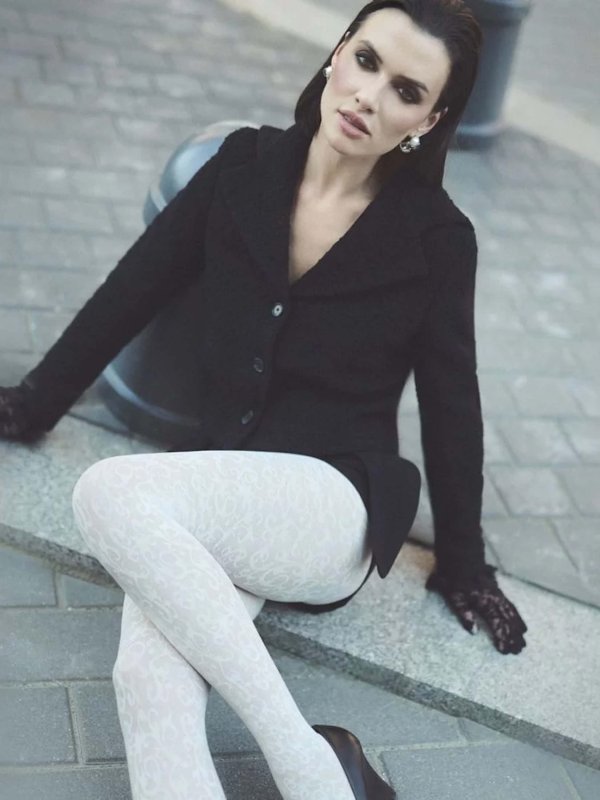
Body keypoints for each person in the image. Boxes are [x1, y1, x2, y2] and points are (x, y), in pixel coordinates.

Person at [0, 1, 528, 798]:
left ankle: (305, 763)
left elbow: (454, 401)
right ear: (338, 52)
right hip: (220, 485)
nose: (369, 96)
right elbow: (132, 289)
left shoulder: (438, 238)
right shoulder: (242, 165)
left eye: (406, 91)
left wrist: (464, 563)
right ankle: (327, 770)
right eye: (367, 61)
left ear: (429, 121)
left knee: (108, 492)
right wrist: (34, 404)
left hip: (333, 502)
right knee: (145, 679)